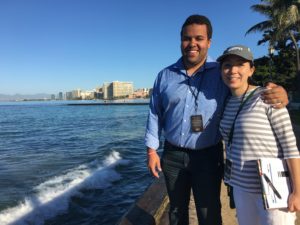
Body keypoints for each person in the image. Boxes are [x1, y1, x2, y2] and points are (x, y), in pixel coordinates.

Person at [145, 14, 289, 225]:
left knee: (208, 210)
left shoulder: (221, 72)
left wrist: (279, 90)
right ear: (180, 41)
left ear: (209, 42)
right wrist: (151, 150)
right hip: (172, 154)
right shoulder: (165, 75)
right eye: (187, 38)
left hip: (208, 155)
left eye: (199, 38)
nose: (192, 44)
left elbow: (246, 88)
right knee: (176, 210)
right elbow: (154, 113)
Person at [218, 44, 300, 225]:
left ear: (251, 70)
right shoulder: (226, 102)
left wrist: (297, 192)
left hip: (273, 187)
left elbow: (290, 147)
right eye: (227, 65)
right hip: (240, 187)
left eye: (240, 64)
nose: (233, 70)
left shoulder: (267, 97)